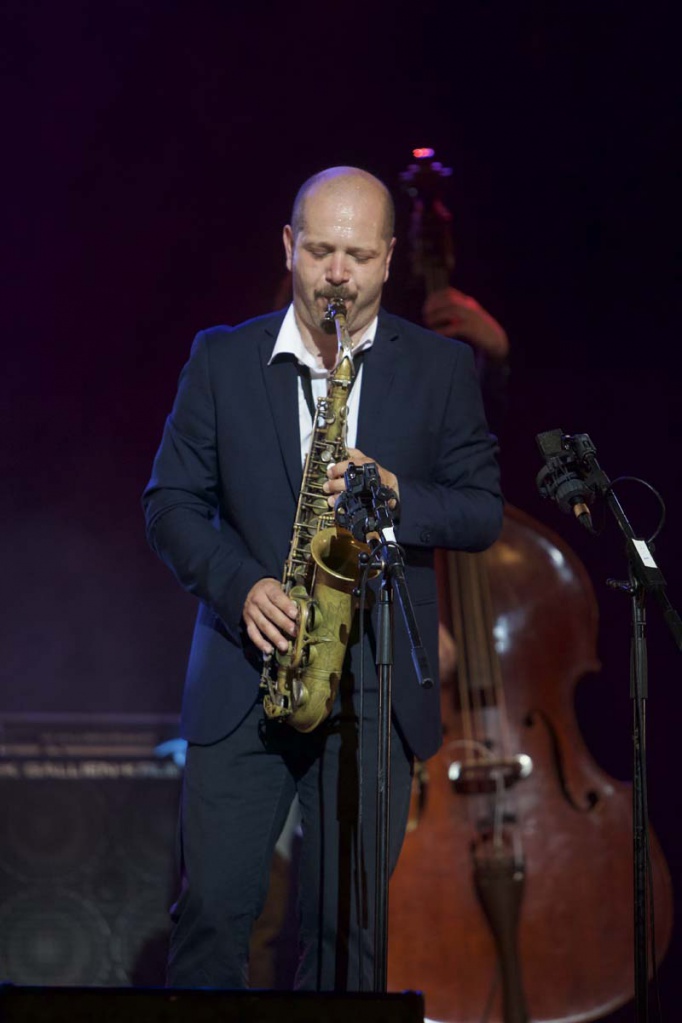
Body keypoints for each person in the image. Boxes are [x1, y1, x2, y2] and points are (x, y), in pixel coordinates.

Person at [142, 166, 503, 991]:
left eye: (358, 256)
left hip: (372, 686)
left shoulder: (441, 369)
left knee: (348, 939)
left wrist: (399, 495)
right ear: (288, 247)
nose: (337, 274)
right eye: (319, 252)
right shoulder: (222, 358)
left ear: (388, 259)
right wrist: (241, 585)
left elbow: (482, 511)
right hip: (245, 677)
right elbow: (169, 504)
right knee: (211, 920)